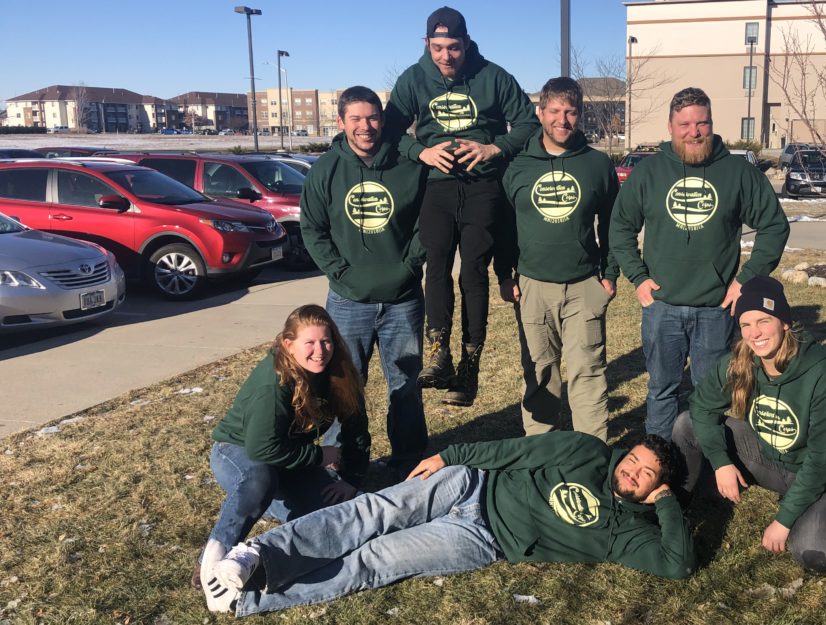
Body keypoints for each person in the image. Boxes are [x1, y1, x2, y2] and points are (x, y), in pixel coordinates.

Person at [199, 431, 693, 615]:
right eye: (634, 459)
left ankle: (251, 598)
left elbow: (677, 566)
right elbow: (515, 451)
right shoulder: (588, 452)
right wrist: (450, 457)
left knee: (375, 561)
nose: (632, 470)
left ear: (656, 488)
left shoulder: (629, 534)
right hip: (471, 484)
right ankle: (257, 556)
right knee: (374, 512)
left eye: (646, 473)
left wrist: (668, 506)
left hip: (482, 538)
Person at [608, 87, 790, 440]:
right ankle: (660, 459)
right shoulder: (649, 173)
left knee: (711, 395)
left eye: (702, 123)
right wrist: (638, 277)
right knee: (662, 390)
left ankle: (707, 461)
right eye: (685, 124)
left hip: (715, 308)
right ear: (671, 126)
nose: (694, 132)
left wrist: (746, 280)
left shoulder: (736, 172)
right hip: (662, 307)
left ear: (711, 124)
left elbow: (774, 226)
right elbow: (620, 228)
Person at [384, 6, 540, 407]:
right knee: (435, 264)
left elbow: (526, 124)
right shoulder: (414, 78)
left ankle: (470, 365)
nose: (446, 56)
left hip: (481, 185)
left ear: (466, 43)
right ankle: (439, 352)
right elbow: (390, 131)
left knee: (473, 269)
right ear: (426, 44)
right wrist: (420, 152)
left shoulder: (493, 75)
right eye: (437, 48)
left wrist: (494, 146)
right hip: (435, 186)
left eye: (453, 47)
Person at [672, 276, 826, 574]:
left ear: (785, 323)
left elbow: (822, 462)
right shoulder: (740, 361)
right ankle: (676, 508)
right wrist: (721, 462)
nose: (754, 333)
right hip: (773, 460)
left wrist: (783, 521)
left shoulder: (822, 376)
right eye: (746, 325)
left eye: (764, 321)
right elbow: (701, 406)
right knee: (687, 424)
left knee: (817, 554)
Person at [199, 304, 370, 612]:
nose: (320, 351)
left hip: (290, 459)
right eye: (310, 343)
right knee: (260, 480)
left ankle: (273, 515)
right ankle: (212, 564)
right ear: (288, 345)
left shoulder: (339, 371)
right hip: (238, 452)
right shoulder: (273, 383)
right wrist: (319, 455)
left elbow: (356, 424)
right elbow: (262, 449)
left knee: (335, 510)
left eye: (326, 341)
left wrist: (351, 478)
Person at [300, 85, 428, 474]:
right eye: (355, 118)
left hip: (402, 298)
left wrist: (409, 267)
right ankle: (342, 461)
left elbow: (427, 225)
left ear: (382, 120)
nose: (365, 126)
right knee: (341, 385)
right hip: (347, 300)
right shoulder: (326, 170)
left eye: (372, 117)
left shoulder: (409, 166)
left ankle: (410, 461)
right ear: (340, 122)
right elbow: (313, 229)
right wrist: (340, 274)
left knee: (405, 385)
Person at [495, 77, 619, 440]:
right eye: (554, 111)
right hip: (533, 285)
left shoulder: (596, 165)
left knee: (588, 371)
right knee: (539, 372)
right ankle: (541, 450)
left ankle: (590, 453)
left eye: (570, 112)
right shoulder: (517, 167)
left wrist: (609, 273)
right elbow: (503, 228)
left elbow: (613, 223)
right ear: (540, 112)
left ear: (579, 115)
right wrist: (505, 274)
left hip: (584, 285)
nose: (562, 120)